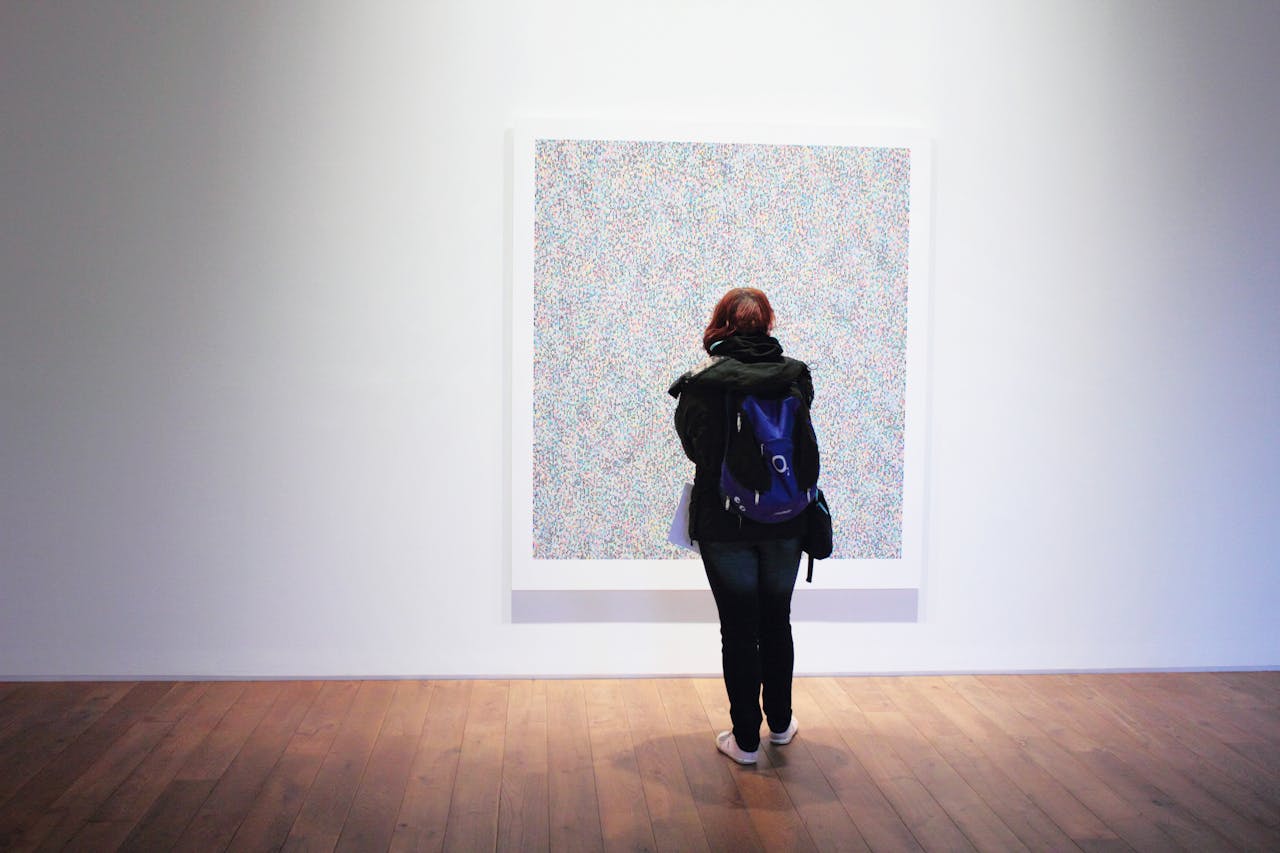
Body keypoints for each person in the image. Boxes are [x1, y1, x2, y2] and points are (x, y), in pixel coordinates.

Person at [668, 287, 815, 765]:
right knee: (777, 621)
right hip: (786, 520)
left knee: (739, 630)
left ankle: (745, 742)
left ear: (720, 324)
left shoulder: (700, 384)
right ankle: (781, 724)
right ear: (768, 322)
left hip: (724, 522)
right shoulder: (796, 377)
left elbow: (696, 450)